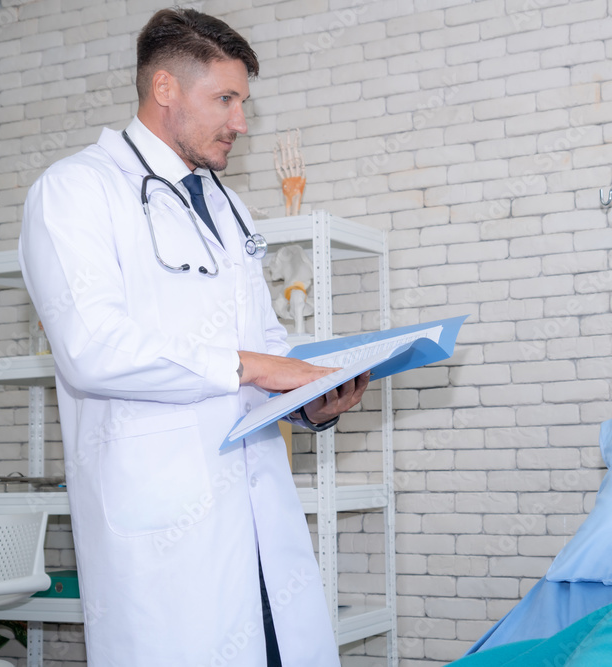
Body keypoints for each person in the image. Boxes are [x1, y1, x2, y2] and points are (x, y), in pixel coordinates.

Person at [18, 8, 367, 666]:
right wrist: (257, 367)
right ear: (165, 91)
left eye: (244, 102)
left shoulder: (227, 204)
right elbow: (93, 348)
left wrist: (312, 395)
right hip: (165, 536)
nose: (241, 121)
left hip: (260, 526)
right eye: (226, 100)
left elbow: (266, 340)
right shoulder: (75, 190)